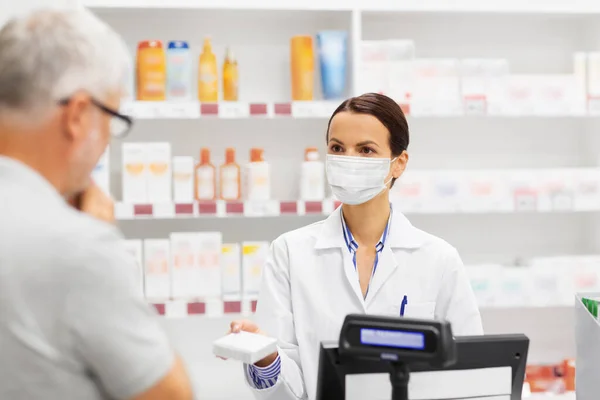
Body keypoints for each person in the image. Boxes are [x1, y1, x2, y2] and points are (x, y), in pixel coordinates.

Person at [230, 93, 483, 400]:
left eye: (365, 150)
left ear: (398, 163)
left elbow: (471, 376)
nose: (348, 160)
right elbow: (288, 387)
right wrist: (267, 358)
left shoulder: (439, 259)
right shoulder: (289, 253)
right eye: (338, 148)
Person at [0, 9, 194, 400]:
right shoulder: (77, 247)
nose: (107, 141)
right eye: (111, 119)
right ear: (76, 116)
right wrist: (101, 239)